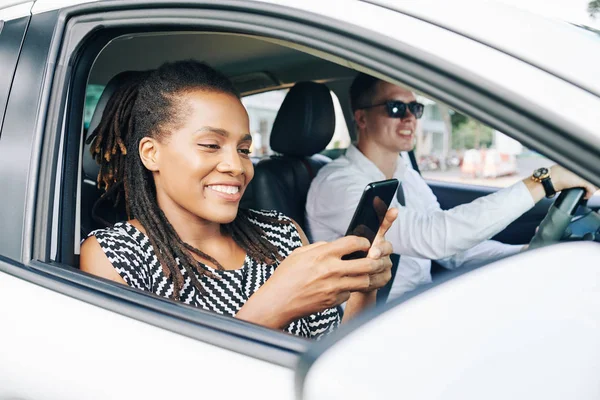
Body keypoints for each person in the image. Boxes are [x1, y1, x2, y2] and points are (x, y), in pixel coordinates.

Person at [79, 61, 398, 339]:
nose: (238, 166)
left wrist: (362, 290)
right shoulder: (116, 255)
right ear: (152, 153)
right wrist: (275, 305)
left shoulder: (281, 233)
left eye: (244, 150)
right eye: (210, 144)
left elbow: (332, 356)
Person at [306, 73, 597, 300]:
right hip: (367, 327)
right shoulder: (338, 184)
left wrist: (528, 252)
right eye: (396, 107)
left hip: (416, 305)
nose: (409, 117)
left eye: (415, 108)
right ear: (361, 118)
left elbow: (453, 253)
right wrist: (545, 181)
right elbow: (433, 237)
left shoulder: (404, 172)